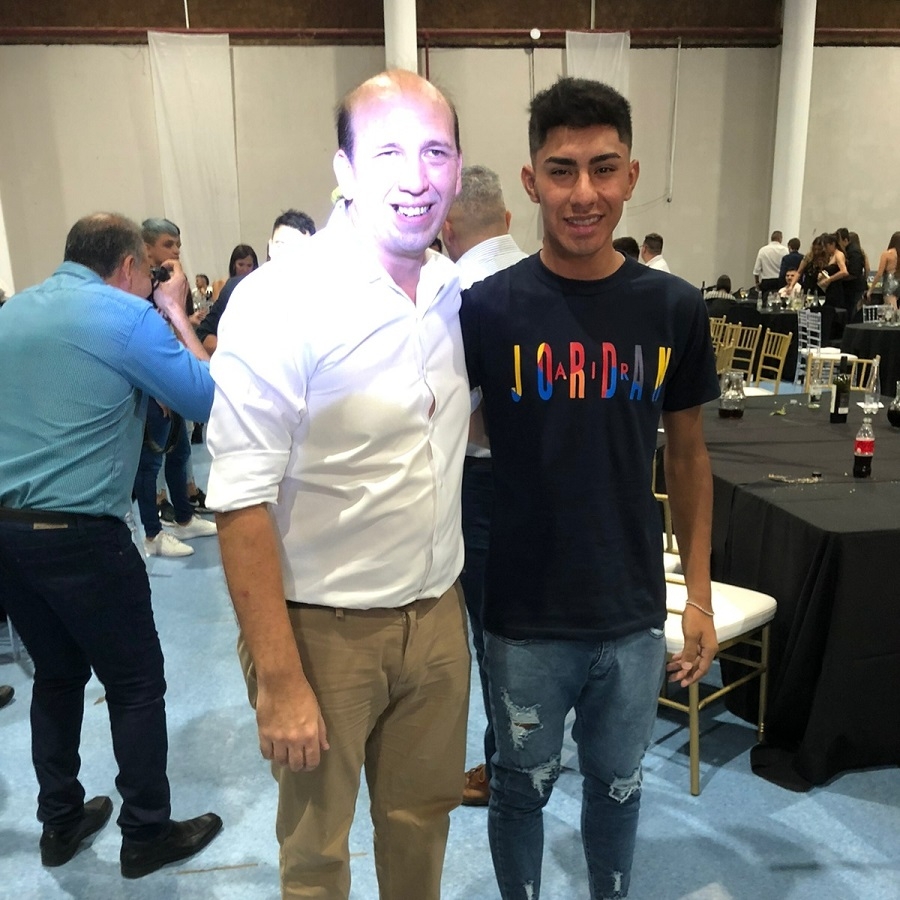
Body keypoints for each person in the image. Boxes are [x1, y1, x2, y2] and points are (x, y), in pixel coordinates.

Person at [206, 70, 471, 899]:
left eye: (435, 152)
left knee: (422, 822)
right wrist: (280, 679)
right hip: (322, 632)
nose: (415, 177)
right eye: (388, 152)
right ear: (345, 170)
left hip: (437, 616)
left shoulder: (450, 289)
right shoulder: (282, 300)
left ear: (458, 168)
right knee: (318, 850)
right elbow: (238, 500)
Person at [460, 77, 720, 899]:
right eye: (562, 170)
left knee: (618, 790)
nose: (584, 194)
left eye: (603, 169)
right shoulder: (486, 310)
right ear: (531, 181)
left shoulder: (672, 307)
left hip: (631, 611)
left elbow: (689, 456)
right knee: (518, 791)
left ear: (631, 177)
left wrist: (699, 596)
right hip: (522, 614)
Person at [0, 213, 222, 878]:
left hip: (9, 531)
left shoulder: (14, 312)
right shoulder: (127, 317)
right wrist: (175, 310)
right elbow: (208, 398)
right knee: (134, 683)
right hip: (81, 535)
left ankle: (60, 821)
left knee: (56, 676)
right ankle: (146, 832)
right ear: (129, 267)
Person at [441, 164, 527, 808]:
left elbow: (457, 405)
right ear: (507, 217)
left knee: (495, 635)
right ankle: (529, 749)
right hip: (547, 480)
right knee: (533, 625)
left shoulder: (457, 295)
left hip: (486, 478)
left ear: (445, 227)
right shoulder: (542, 277)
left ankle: (506, 765)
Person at [132, 218, 218, 557]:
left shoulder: (170, 283)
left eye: (178, 244)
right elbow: (139, 344)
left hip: (171, 379)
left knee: (180, 452)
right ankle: (152, 535)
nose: (176, 250)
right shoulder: (136, 287)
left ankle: (183, 517)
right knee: (150, 463)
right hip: (152, 388)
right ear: (147, 246)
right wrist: (157, 389)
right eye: (168, 244)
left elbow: (177, 332)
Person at [197, 212, 315, 355]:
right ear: (271, 246)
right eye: (280, 245)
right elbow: (204, 334)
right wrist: (237, 354)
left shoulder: (316, 299)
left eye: (297, 248)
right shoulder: (238, 288)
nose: (286, 254)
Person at [867, 231, 900, 309]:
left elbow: (879, 274)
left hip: (890, 282)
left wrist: (870, 290)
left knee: (891, 310)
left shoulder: (887, 254)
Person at [753, 230, 787, 295]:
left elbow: (756, 270)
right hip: (780, 281)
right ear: (780, 238)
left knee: (765, 298)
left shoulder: (762, 250)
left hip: (766, 281)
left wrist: (757, 282)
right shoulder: (785, 250)